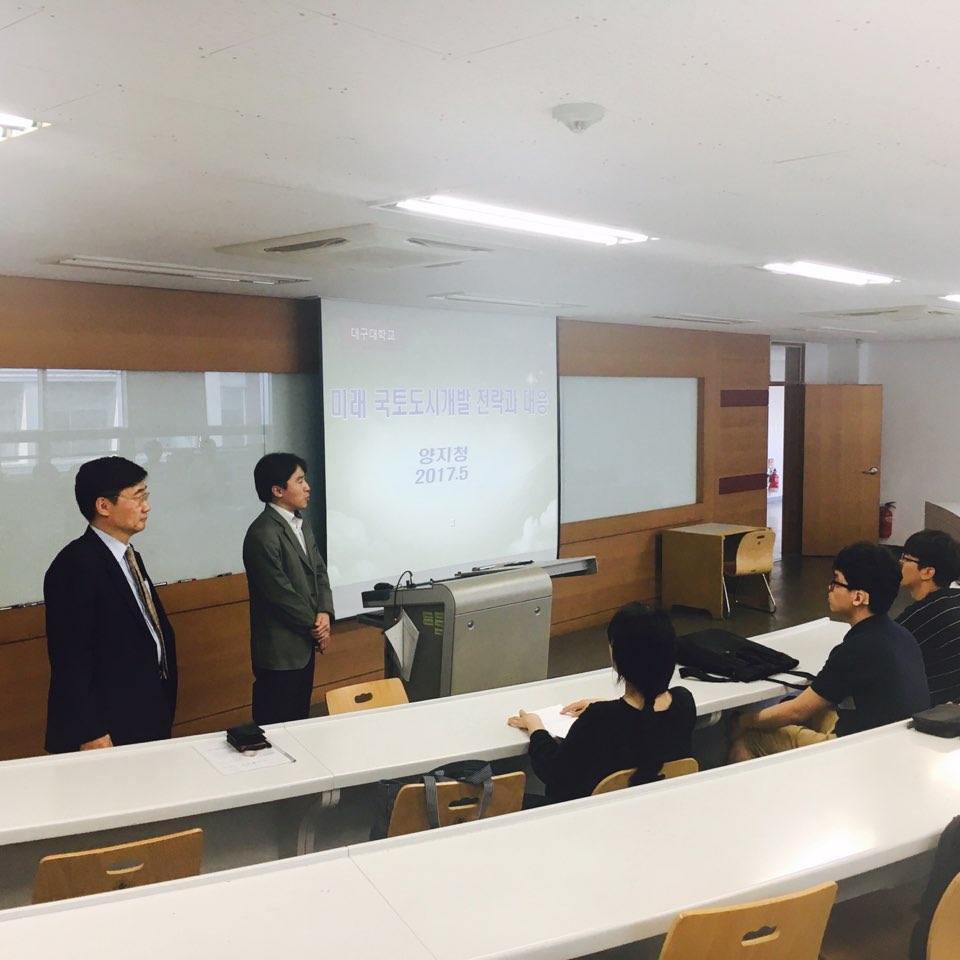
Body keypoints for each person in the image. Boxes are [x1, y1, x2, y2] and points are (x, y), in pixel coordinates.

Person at [730, 541, 929, 761]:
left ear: (858, 597)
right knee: (810, 710)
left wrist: (744, 721)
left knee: (751, 737)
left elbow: (798, 711)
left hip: (861, 752)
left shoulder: (856, 649)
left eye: (836, 582)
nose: (829, 588)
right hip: (897, 740)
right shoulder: (901, 635)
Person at [43, 456, 177, 752]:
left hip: (145, 711)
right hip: (106, 727)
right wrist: (91, 730)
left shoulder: (130, 557)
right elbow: (70, 659)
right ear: (104, 506)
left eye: (145, 496)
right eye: (138, 497)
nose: (146, 506)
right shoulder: (75, 565)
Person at [507, 603, 696, 803]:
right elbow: (641, 718)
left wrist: (535, 727)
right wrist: (609, 705)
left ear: (617, 655)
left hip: (587, 814)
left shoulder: (600, 718)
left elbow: (553, 771)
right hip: (657, 808)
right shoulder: (683, 702)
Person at [243, 452, 334, 725]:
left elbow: (319, 571)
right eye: (300, 481)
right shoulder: (262, 534)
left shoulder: (301, 524)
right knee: (277, 727)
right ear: (277, 490)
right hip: (279, 654)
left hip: (303, 646)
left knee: (300, 721)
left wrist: (325, 612)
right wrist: (315, 625)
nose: (307, 487)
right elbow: (279, 594)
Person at [897, 529, 960, 705]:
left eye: (906, 559)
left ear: (927, 572)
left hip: (929, 710)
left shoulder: (922, 615)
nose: (900, 562)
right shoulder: (954, 600)